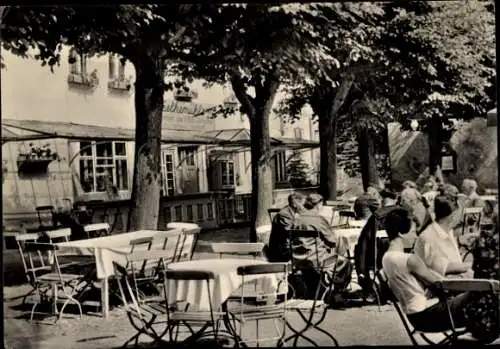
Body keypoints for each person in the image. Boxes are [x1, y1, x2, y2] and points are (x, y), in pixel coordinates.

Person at [381, 207, 479, 333]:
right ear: (401, 233)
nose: (416, 237)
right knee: (483, 293)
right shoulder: (410, 260)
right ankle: (479, 335)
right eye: (413, 232)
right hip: (431, 315)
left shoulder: (387, 258)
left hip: (415, 317)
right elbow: (441, 285)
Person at [296, 193, 353, 301]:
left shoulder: (297, 219)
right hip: (316, 259)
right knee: (346, 263)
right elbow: (332, 240)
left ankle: (317, 288)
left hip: (298, 259)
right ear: (318, 205)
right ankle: (337, 292)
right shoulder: (319, 219)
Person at [413, 184, 473, 279]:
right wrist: (469, 266)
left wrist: (459, 241)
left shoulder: (446, 231)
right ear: (452, 217)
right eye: (460, 213)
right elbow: (442, 268)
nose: (461, 218)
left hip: (452, 284)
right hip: (442, 289)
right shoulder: (429, 237)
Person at [354, 189, 397, 302]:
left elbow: (365, 239)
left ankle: (368, 284)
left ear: (382, 201)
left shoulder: (377, 216)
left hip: (381, 256)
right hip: (406, 253)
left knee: (360, 248)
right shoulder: (405, 213)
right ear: (396, 199)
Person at [267, 192, 306, 263]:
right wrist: (299, 220)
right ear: (294, 204)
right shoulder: (284, 214)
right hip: (282, 252)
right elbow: (291, 232)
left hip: (289, 247)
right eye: (302, 204)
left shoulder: (291, 213)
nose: (303, 207)